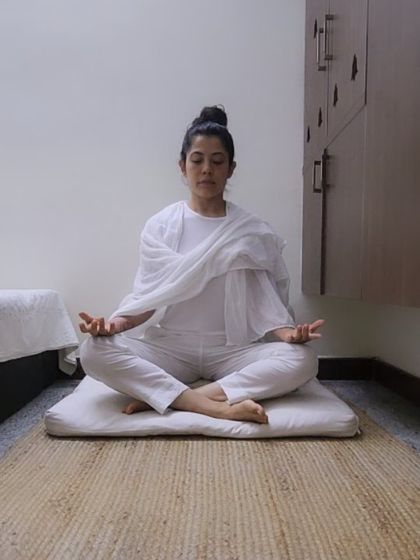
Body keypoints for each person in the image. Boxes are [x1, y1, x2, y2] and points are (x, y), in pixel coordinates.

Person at [79, 105, 324, 424]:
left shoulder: (251, 231)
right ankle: (216, 406)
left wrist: (290, 335)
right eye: (197, 160)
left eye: (217, 161)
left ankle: (174, 397)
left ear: (231, 168)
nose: (207, 169)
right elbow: (148, 298)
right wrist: (112, 327)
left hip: (232, 350)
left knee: (303, 359)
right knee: (93, 351)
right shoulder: (162, 225)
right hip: (171, 348)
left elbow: (264, 302)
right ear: (183, 166)